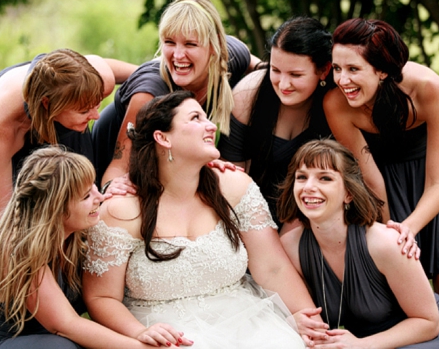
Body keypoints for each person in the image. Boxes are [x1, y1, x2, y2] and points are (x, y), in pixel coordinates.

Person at [82, 91, 329, 348]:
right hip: (164, 331)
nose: (211, 125)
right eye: (196, 118)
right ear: (162, 137)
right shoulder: (120, 210)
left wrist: (305, 318)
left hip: (245, 321)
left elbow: (272, 267)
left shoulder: (234, 186)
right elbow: (101, 296)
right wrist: (138, 332)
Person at [323, 18, 439, 340]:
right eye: (337, 68)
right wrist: (392, 232)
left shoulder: (430, 89)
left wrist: (410, 227)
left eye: (353, 69)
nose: (342, 80)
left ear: (381, 70)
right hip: (387, 170)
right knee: (408, 278)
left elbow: (438, 184)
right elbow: (371, 177)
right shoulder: (336, 104)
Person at [278, 139, 439, 348]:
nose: (309, 187)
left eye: (325, 178)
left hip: (425, 339)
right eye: (301, 177)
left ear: (349, 193)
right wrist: (293, 320)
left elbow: (429, 323)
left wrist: (362, 346)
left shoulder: (384, 243)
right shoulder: (290, 247)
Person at [0, 147, 153, 348]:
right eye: (85, 197)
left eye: (93, 186)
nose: (100, 197)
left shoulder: (78, 235)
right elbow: (66, 324)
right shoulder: (18, 249)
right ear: (55, 209)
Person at [0, 48, 137, 285]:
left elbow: (144, 76)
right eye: (85, 110)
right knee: (22, 238)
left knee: (77, 204)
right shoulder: (4, 126)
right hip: (17, 125)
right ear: (49, 104)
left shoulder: (95, 80)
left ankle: (74, 292)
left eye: (97, 104)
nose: (96, 116)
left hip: (61, 107)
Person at [92, 0, 260, 194]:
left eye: (190, 44)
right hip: (110, 162)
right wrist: (111, 188)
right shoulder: (149, 94)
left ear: (214, 46)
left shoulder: (229, 58)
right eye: (169, 42)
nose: (178, 55)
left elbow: (262, 68)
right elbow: (118, 167)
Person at [218, 16, 334, 224]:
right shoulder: (248, 96)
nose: (283, 84)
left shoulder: (336, 102)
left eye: (296, 75)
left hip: (319, 212)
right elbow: (229, 178)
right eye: (276, 70)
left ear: (324, 70)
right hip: (250, 211)